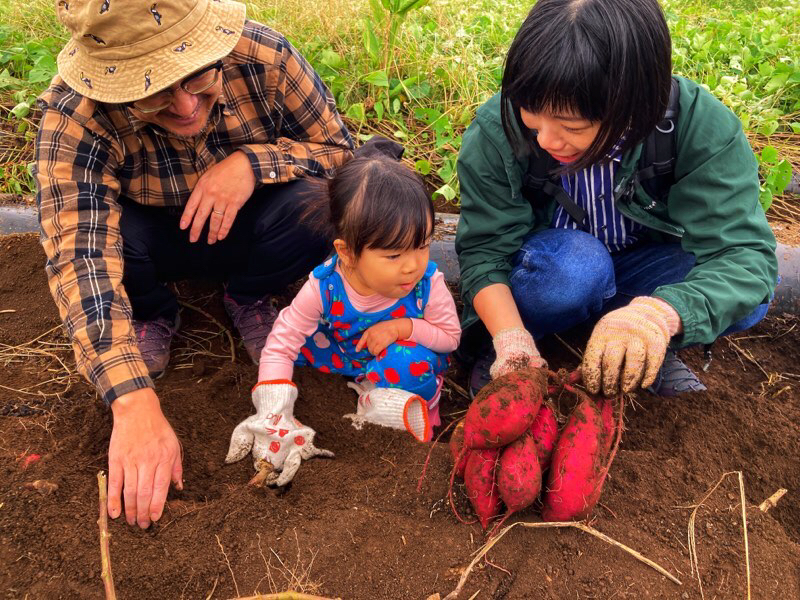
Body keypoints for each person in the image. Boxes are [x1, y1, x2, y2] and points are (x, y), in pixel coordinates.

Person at [34, 0, 354, 529]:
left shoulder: (264, 57)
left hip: (253, 223)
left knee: (320, 206)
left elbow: (341, 152)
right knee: (114, 248)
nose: (184, 107)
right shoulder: (77, 113)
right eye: (152, 93)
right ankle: (154, 311)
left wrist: (254, 163)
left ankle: (249, 293)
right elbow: (80, 254)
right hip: (151, 240)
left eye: (197, 79)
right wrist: (132, 401)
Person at [456, 0, 778, 399]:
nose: (546, 139)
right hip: (554, 271)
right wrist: (509, 337)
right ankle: (528, 337)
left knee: (746, 298)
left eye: (572, 125)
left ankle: (632, 345)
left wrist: (658, 315)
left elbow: (744, 256)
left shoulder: (700, 126)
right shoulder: (495, 130)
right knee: (575, 269)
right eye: (531, 113)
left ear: (634, 103)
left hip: (644, 271)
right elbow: (484, 250)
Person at [225, 148, 461, 483]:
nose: (413, 265)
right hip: (342, 353)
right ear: (346, 252)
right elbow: (282, 342)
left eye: (422, 245)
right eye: (394, 255)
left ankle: (404, 409)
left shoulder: (427, 285)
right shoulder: (325, 286)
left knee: (413, 365)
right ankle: (355, 396)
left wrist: (403, 327)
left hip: (398, 359)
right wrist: (272, 408)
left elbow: (450, 337)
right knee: (295, 346)